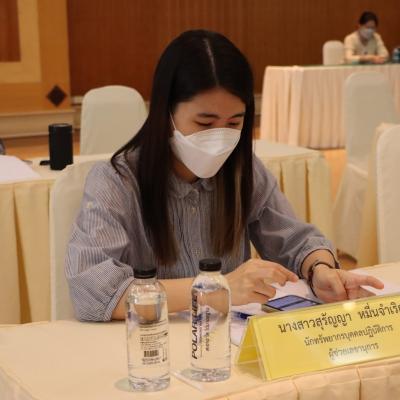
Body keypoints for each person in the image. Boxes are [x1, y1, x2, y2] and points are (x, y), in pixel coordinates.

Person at [66, 30, 383, 322]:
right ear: (165, 113)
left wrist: (320, 269)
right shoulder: (116, 181)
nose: (219, 138)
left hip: (224, 344)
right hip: (149, 344)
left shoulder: (244, 171)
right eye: (204, 123)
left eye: (233, 123)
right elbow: (93, 291)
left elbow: (294, 240)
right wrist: (216, 289)